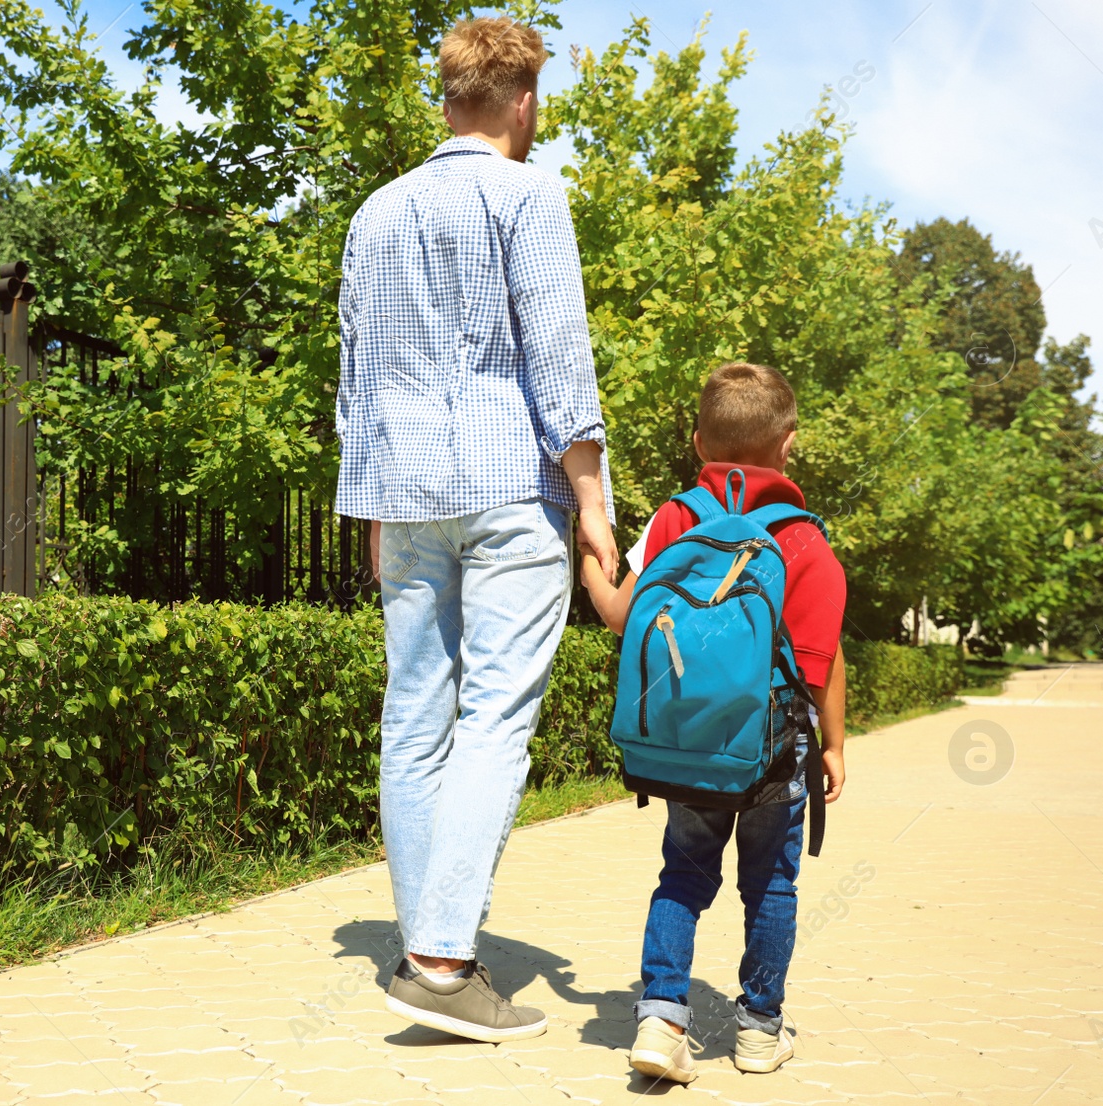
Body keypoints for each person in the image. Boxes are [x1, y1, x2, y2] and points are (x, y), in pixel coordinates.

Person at [335, 15, 617, 1043]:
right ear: (523, 99)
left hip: (403, 491)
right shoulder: (530, 192)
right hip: (507, 488)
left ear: (446, 96)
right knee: (494, 716)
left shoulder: (374, 211)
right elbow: (558, 352)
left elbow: (354, 373)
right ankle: (444, 965)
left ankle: (425, 947)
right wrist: (594, 502)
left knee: (414, 714)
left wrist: (364, 502)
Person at [579, 362, 847, 1081]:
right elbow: (821, 663)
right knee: (772, 887)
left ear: (699, 443)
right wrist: (836, 748)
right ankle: (759, 1030)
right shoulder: (805, 540)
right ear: (789, 445)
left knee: (683, 875)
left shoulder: (676, 519)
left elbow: (622, 617)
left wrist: (588, 571)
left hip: (688, 747)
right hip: (776, 750)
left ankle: (662, 1020)